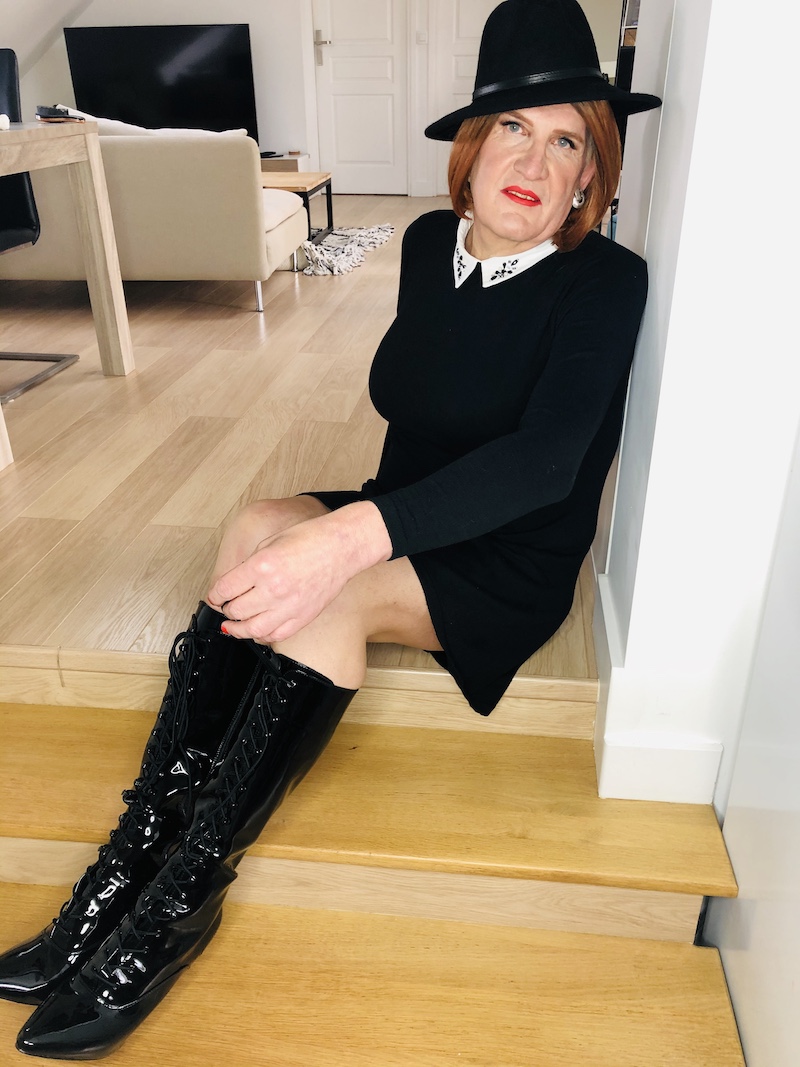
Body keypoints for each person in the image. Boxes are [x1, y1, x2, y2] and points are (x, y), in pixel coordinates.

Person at [0, 0, 661, 1058]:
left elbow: (543, 464)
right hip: (405, 508)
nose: (534, 160)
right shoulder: (428, 242)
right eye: (512, 127)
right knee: (258, 521)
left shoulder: (605, 283)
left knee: (327, 586)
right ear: (472, 143)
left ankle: (181, 898)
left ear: (592, 171)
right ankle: (133, 855)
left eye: (566, 138)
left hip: (504, 556)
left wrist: (351, 539)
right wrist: (336, 528)